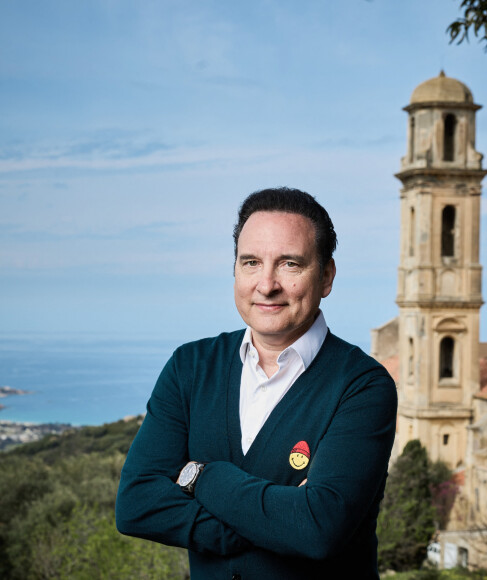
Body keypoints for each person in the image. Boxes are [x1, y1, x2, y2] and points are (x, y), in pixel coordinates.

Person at [116, 187, 397, 579]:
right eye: (251, 262)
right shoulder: (191, 367)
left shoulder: (363, 387)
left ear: (327, 275)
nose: (266, 285)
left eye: (290, 265)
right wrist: (274, 521)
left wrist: (200, 476)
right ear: (234, 269)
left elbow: (317, 530)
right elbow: (135, 505)